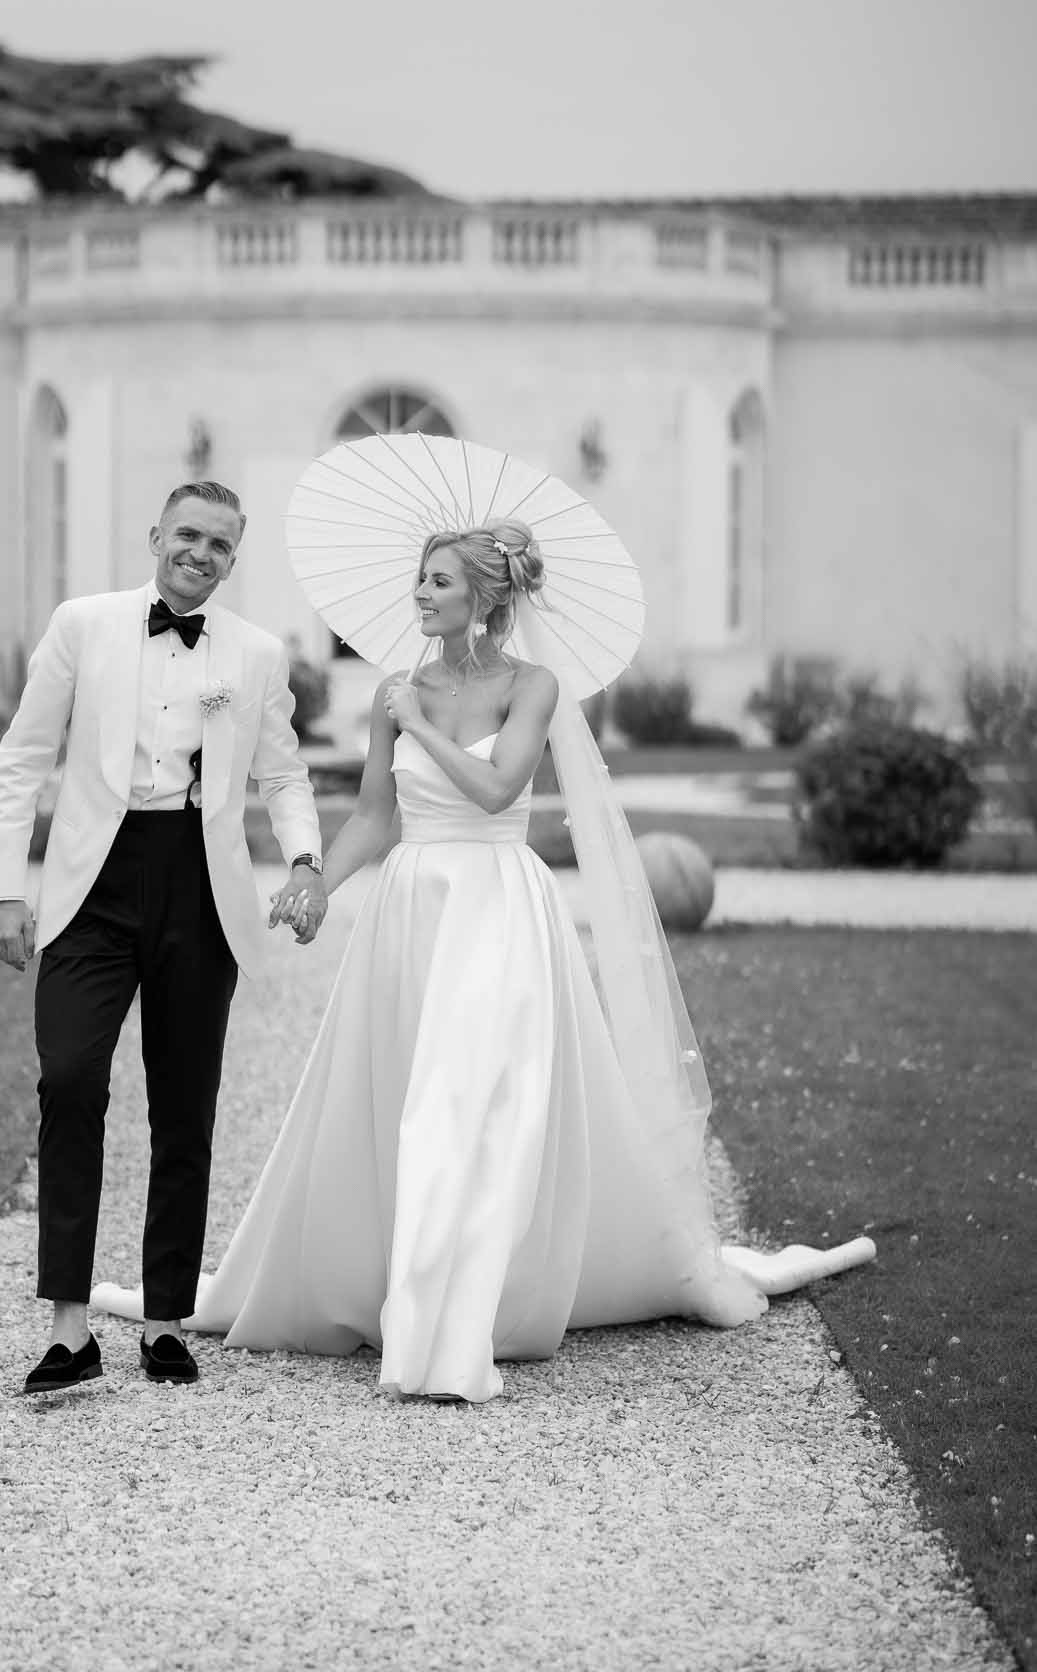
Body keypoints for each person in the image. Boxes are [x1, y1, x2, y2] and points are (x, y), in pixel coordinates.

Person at [93, 519, 870, 1402]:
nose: (420, 594)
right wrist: (317, 884)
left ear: (485, 599)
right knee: (405, 1097)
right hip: (410, 910)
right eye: (419, 579)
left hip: (496, 907)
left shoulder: (531, 686)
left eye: (439, 582)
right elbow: (376, 816)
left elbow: (499, 789)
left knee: (462, 1106)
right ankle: (406, 1286)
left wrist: (420, 726)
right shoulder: (395, 690)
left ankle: (444, 1327)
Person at [0, 479, 327, 1393]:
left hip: (198, 888)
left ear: (232, 557)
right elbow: (21, 760)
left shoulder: (257, 653)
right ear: (155, 536)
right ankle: (68, 1331)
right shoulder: (83, 625)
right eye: (188, 535)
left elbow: (282, 776)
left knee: (185, 1106)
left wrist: (303, 862)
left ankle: (166, 1319)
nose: (199, 554)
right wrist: (6, 891)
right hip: (91, 887)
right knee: (69, 1079)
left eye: (219, 544)